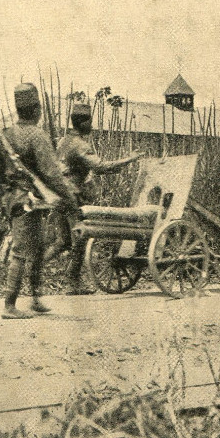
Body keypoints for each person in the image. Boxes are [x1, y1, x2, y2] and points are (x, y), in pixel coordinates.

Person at [0, 83, 79, 319]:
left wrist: (5, 199)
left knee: (39, 246)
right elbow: (52, 174)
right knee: (22, 250)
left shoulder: (6, 135)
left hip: (16, 199)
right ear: (37, 109)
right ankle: (9, 305)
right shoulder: (38, 136)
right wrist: (70, 199)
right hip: (29, 199)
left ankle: (35, 298)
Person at [47, 102, 142, 294]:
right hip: (72, 197)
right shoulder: (80, 146)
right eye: (90, 121)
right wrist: (129, 159)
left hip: (58, 196)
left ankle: (29, 270)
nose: (92, 125)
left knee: (62, 241)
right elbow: (101, 167)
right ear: (83, 122)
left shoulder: (63, 141)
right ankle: (73, 283)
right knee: (80, 239)